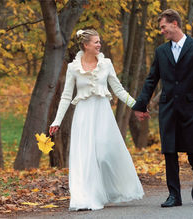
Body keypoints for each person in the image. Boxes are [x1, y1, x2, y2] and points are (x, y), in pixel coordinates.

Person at [49, 29, 144, 211]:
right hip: (83, 116)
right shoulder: (73, 68)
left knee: (103, 154)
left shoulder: (106, 64)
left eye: (99, 42)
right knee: (84, 158)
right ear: (86, 45)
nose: (99, 45)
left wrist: (136, 105)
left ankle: (111, 190)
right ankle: (85, 198)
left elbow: (118, 89)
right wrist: (56, 121)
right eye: (96, 42)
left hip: (103, 115)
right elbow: (66, 96)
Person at [132, 9, 193, 207]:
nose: (162, 31)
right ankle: (174, 196)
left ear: (175, 24)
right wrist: (140, 105)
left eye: (163, 27)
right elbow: (152, 79)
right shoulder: (161, 51)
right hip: (168, 109)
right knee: (169, 151)